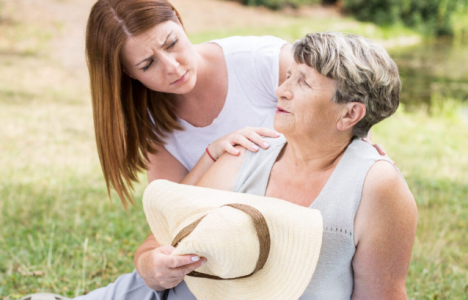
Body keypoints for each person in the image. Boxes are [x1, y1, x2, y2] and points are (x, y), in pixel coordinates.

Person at [74, 0, 385, 299]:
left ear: (180, 22)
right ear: (129, 74)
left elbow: (340, 104)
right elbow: (169, 218)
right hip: (213, 267)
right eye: (147, 64)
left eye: (171, 43)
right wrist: (211, 155)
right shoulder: (152, 121)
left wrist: (362, 150)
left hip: (281, 253)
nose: (171, 66)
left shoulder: (260, 61)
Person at [192, 32, 418, 299]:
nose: (281, 91)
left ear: (349, 114)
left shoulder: (377, 185)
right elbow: (175, 236)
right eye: (288, 76)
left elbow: (380, 295)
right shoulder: (246, 154)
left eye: (303, 83)